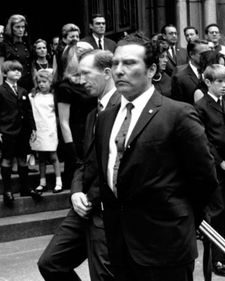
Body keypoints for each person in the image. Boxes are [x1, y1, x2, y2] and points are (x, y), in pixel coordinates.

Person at [94, 33, 217, 281]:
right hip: (121, 246)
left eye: (129, 63)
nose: (119, 71)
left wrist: (179, 222)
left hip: (167, 246)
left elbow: (203, 178)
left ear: (151, 70)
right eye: (115, 64)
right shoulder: (106, 117)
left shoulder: (178, 114)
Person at [37, 49, 119, 281]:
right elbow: (85, 161)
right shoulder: (94, 113)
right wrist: (75, 193)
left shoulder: (124, 109)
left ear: (106, 73)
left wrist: (90, 198)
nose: (81, 81)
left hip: (106, 208)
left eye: (86, 73)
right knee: (51, 263)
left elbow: (117, 165)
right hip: (82, 204)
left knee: (104, 276)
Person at [194, 64, 225, 277]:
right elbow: (204, 141)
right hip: (215, 168)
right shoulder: (201, 107)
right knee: (218, 213)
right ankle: (217, 259)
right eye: (219, 82)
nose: (224, 86)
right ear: (207, 83)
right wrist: (221, 163)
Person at [55, 42, 97, 190]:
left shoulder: (91, 82)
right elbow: (64, 121)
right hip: (76, 137)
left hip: (94, 131)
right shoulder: (65, 87)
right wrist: (71, 149)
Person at [0, 60, 39, 207]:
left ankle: (25, 187)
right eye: (13, 70)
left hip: (22, 131)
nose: (17, 72)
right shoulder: (1, 90)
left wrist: (33, 128)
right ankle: (7, 191)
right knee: (7, 159)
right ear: (5, 73)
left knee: (23, 159)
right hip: (7, 131)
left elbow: (29, 112)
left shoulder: (23, 91)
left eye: (19, 70)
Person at [29, 69, 62, 193]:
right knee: (41, 157)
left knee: (53, 156)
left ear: (50, 82)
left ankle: (59, 181)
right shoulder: (33, 96)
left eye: (44, 81)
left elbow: (58, 115)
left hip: (50, 129)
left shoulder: (53, 97)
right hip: (38, 130)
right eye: (39, 82)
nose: (42, 84)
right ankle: (42, 182)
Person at [171, 38, 210, 105]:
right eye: (203, 54)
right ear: (192, 54)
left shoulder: (212, 72)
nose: (207, 57)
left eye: (208, 54)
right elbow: (179, 105)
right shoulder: (180, 78)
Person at [0, 14, 33, 91]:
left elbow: (31, 66)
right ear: (11, 28)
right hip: (11, 84)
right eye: (17, 27)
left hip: (28, 84)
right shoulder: (4, 45)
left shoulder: (27, 44)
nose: (21, 30)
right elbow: (0, 68)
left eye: (23, 27)